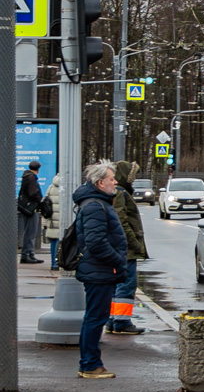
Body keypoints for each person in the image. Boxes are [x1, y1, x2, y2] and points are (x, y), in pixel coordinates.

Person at [75, 161, 128, 379]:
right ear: (100, 183)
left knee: (95, 317)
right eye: (111, 179)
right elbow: (96, 242)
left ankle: (90, 363)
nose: (115, 182)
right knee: (96, 318)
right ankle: (90, 365)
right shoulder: (95, 206)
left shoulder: (97, 203)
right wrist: (118, 262)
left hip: (98, 269)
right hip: (99, 270)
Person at [107, 160, 147, 335]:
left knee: (116, 284)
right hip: (125, 248)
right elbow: (122, 221)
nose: (133, 180)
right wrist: (134, 243)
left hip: (117, 246)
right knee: (127, 283)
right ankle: (122, 322)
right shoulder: (121, 192)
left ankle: (112, 320)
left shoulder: (116, 192)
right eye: (132, 176)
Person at [17, 160, 44, 263]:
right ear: (37, 169)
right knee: (30, 231)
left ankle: (30, 253)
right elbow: (33, 193)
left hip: (26, 207)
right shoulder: (31, 177)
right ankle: (27, 254)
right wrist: (39, 200)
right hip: (31, 208)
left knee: (29, 231)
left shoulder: (26, 176)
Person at [43, 174, 63, 269]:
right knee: (60, 241)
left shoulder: (51, 187)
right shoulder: (66, 186)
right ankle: (58, 262)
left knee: (53, 241)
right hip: (62, 218)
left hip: (52, 218)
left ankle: (53, 263)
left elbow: (45, 203)